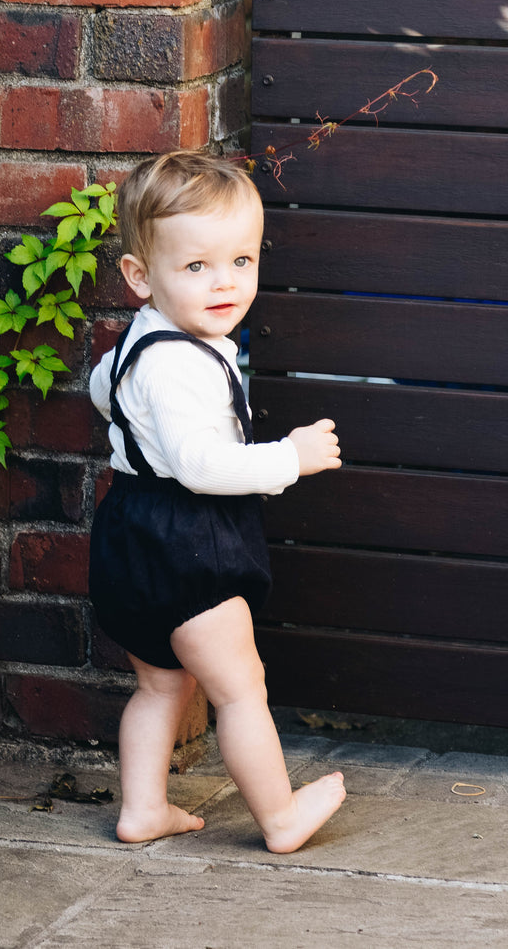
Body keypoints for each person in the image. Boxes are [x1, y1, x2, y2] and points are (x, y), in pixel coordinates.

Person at [88, 150, 346, 854]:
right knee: (239, 688)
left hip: (128, 536)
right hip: (185, 543)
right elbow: (201, 468)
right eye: (196, 267)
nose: (225, 282)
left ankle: (144, 808)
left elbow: (102, 388)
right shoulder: (181, 364)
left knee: (161, 686)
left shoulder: (147, 341)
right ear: (141, 276)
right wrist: (288, 458)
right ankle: (281, 818)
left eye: (242, 260)